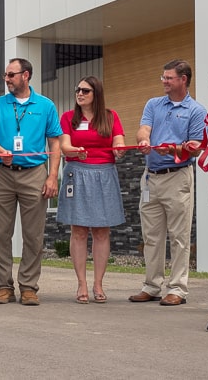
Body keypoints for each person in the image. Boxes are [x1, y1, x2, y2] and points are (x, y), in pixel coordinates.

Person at [0, 58, 63, 306]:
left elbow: (55, 143)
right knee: (1, 234)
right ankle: (4, 287)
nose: (7, 79)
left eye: (11, 75)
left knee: (33, 235)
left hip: (34, 173)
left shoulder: (46, 106)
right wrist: (1, 151)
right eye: (5, 75)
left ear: (26, 75)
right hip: (1, 173)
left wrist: (52, 175)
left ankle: (29, 287)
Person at [130, 59, 207, 306]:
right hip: (151, 176)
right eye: (163, 77)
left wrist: (172, 149)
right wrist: (144, 140)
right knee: (151, 236)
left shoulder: (197, 110)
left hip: (178, 177)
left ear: (183, 80)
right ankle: (152, 286)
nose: (164, 81)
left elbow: (195, 147)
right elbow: (144, 129)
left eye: (169, 78)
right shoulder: (153, 104)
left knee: (179, 236)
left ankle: (177, 289)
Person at [57, 76, 126, 304]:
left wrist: (119, 150)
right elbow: (64, 145)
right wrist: (76, 150)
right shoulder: (68, 117)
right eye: (77, 90)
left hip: (104, 174)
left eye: (85, 90)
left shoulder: (110, 116)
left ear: (96, 93)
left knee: (101, 231)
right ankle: (81, 283)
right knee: (78, 230)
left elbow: (119, 141)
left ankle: (98, 283)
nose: (80, 94)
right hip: (77, 172)